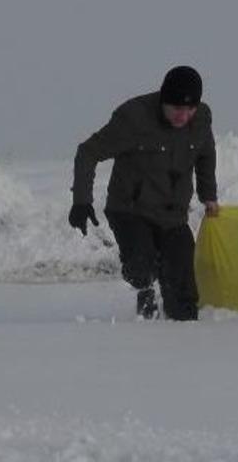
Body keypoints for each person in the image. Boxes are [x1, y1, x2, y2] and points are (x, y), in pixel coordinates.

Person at [69, 66, 218, 320]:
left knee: (183, 290)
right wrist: (81, 200)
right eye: (176, 109)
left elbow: (205, 154)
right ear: (163, 100)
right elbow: (88, 152)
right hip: (130, 210)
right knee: (142, 267)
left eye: (189, 109)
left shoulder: (201, 119)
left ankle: (185, 342)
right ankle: (145, 298)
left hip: (173, 215)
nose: (184, 116)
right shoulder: (134, 118)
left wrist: (208, 196)